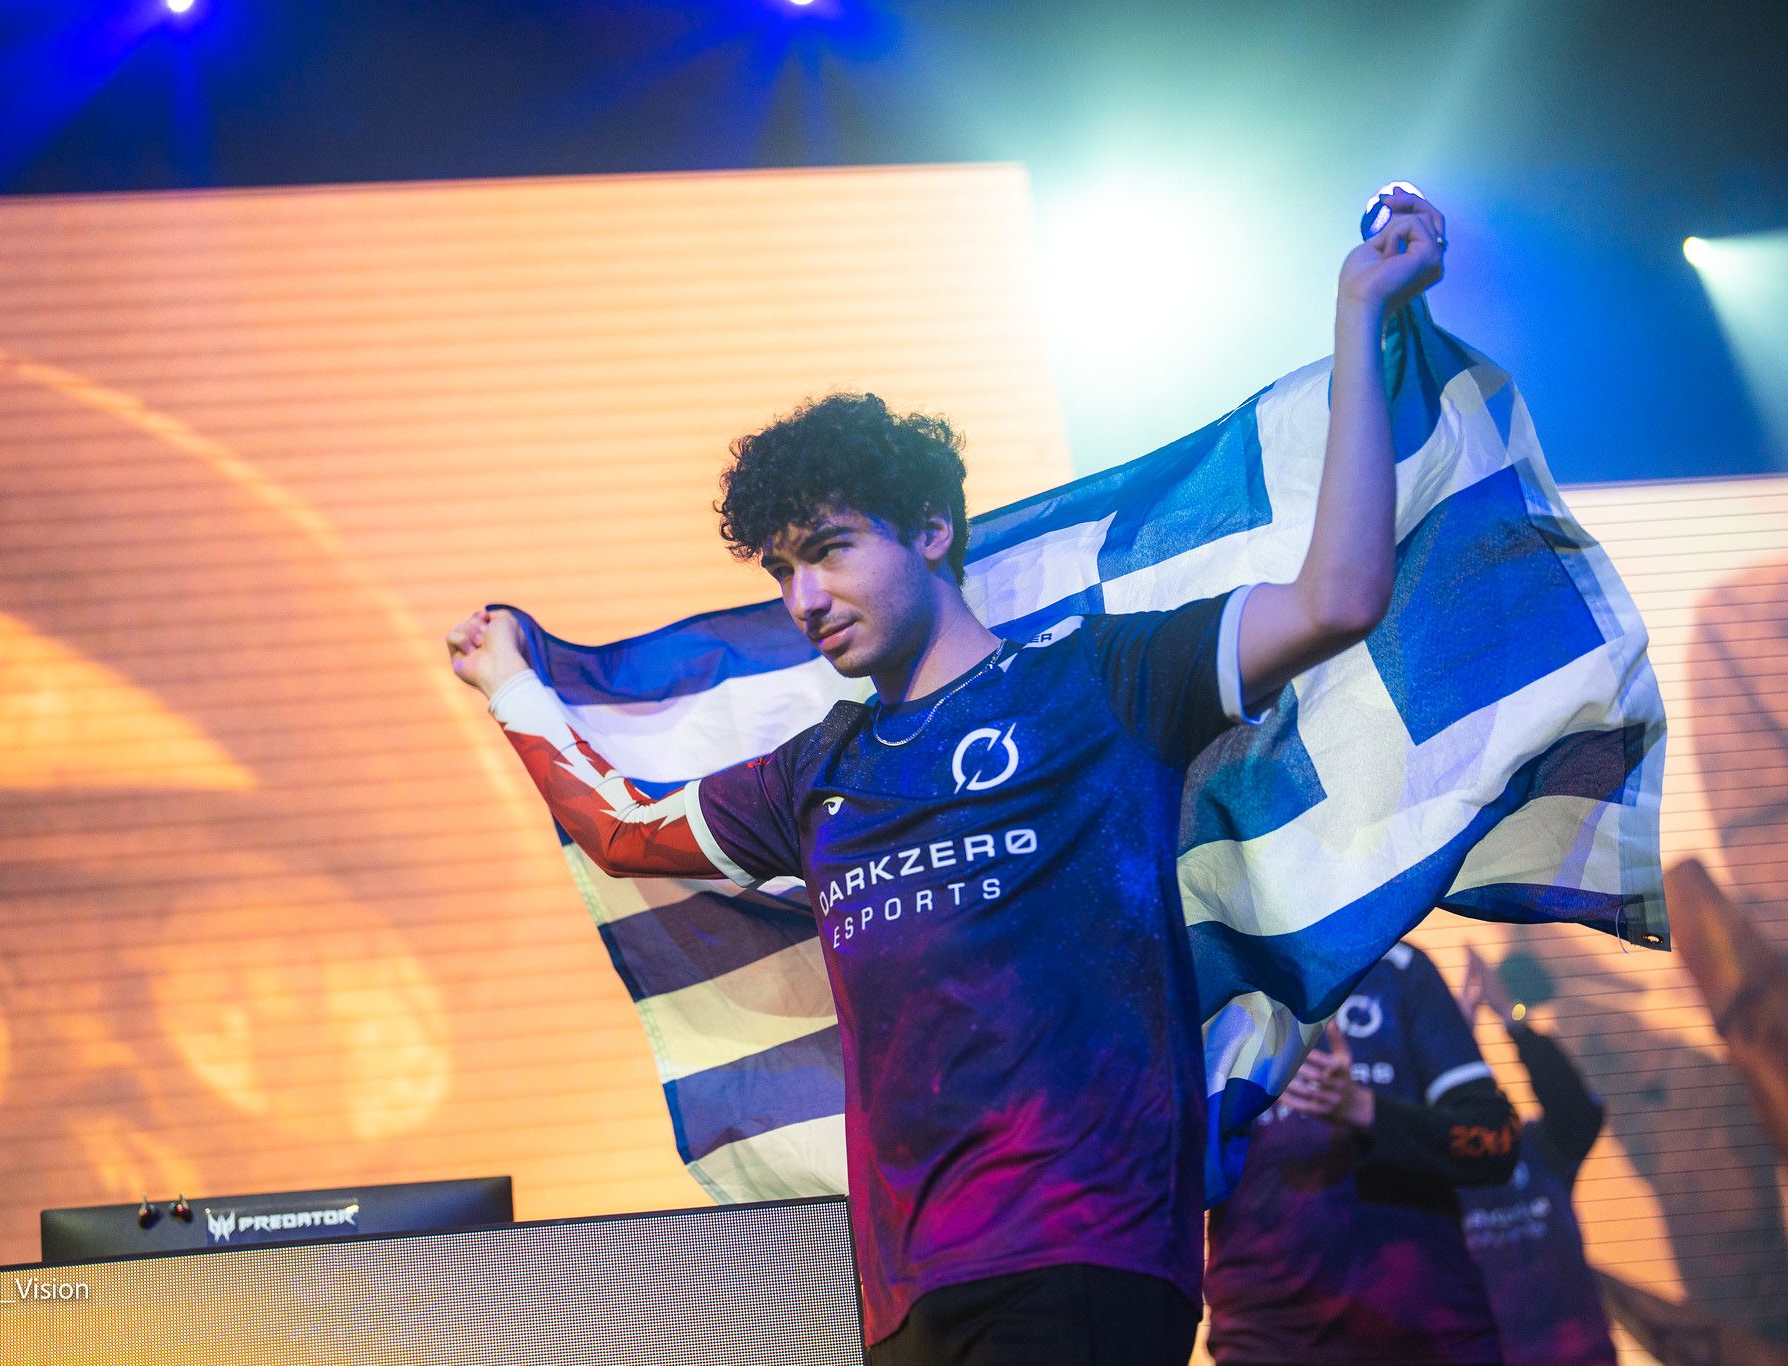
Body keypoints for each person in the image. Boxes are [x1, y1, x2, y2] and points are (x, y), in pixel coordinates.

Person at [447, 190, 1448, 1366]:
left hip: (1084, 1248)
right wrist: (515, 690)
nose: (802, 599)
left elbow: (1337, 597)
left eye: (826, 550)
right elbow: (623, 832)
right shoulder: (815, 772)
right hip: (906, 1294)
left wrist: (1357, 309)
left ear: (929, 531)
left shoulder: (1105, 680)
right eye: (780, 570)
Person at [1202, 941, 1522, 1366]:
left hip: (1428, 1332)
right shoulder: (1217, 971)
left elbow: (1496, 1140)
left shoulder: (1398, 968)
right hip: (1267, 1336)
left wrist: (1365, 1110)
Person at [1455, 948, 1620, 1366]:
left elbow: (1572, 1106)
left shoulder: (1538, 1152)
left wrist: (1511, 1017)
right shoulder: (1427, 1166)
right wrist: (1445, 1048)